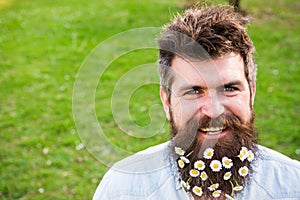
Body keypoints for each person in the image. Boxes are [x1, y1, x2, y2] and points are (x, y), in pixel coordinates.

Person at [93, 5, 300, 200]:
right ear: (166, 102)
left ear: (251, 94)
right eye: (193, 91)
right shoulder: (124, 189)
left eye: (229, 89)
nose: (213, 111)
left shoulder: (292, 186)